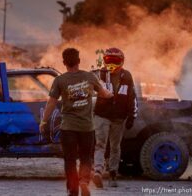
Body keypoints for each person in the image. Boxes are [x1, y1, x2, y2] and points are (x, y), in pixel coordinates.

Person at [39, 48, 113, 196]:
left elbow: (51, 103)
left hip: (68, 128)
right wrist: (110, 93)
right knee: (86, 157)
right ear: (79, 61)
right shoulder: (90, 77)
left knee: (70, 160)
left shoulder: (60, 80)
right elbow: (104, 94)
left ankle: (73, 190)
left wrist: (44, 121)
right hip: (87, 127)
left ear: (64, 62)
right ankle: (84, 182)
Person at [93, 47, 138, 188]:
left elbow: (132, 97)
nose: (112, 63)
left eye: (115, 60)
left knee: (115, 147)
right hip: (102, 115)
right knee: (100, 144)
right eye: (109, 60)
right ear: (104, 61)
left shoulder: (127, 76)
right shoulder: (98, 74)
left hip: (119, 118)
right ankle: (98, 172)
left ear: (122, 61)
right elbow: (90, 95)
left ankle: (113, 174)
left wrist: (132, 115)